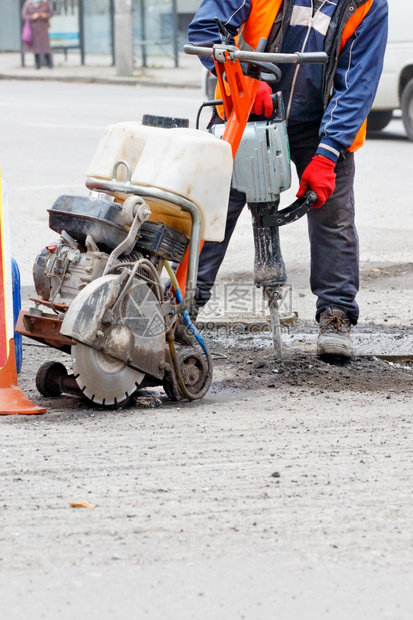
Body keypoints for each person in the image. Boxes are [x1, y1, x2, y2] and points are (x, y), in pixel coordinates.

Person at [187, 0, 388, 359]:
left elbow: (358, 82)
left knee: (333, 215)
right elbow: (207, 30)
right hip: (248, 107)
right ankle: (183, 308)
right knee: (213, 210)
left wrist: (328, 154)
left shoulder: (368, 4)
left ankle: (335, 314)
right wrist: (247, 78)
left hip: (320, 123)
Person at [22, 0, 53, 70]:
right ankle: (37, 64)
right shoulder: (28, 3)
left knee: (45, 46)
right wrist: (33, 16)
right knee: (36, 47)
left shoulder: (44, 3)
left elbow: (50, 13)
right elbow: (24, 15)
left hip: (43, 28)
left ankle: (49, 63)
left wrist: (45, 15)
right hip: (33, 28)